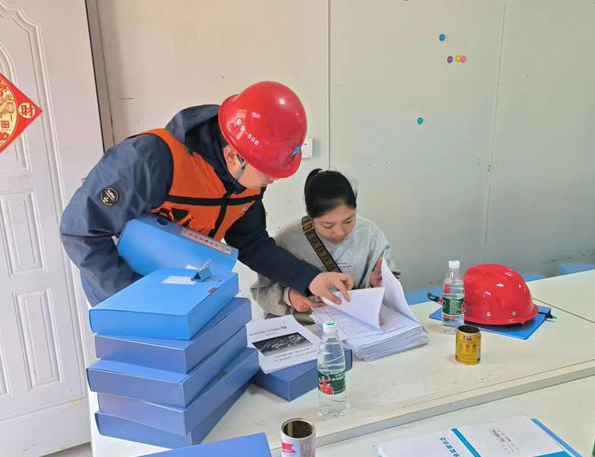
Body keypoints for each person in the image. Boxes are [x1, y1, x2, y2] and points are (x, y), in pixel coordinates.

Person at [59, 81, 353, 306]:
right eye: (268, 172)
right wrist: (136, 295)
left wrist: (310, 278)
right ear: (233, 156)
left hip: (186, 286)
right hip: (123, 289)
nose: (272, 180)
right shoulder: (148, 160)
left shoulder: (247, 181)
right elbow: (80, 232)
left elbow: (251, 243)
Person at [251, 168, 399, 320]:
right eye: (328, 225)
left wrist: (378, 285)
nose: (340, 232)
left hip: (356, 324)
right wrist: (288, 297)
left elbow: (393, 287)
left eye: (348, 220)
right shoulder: (287, 239)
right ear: (310, 217)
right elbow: (260, 292)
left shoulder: (370, 234)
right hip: (303, 326)